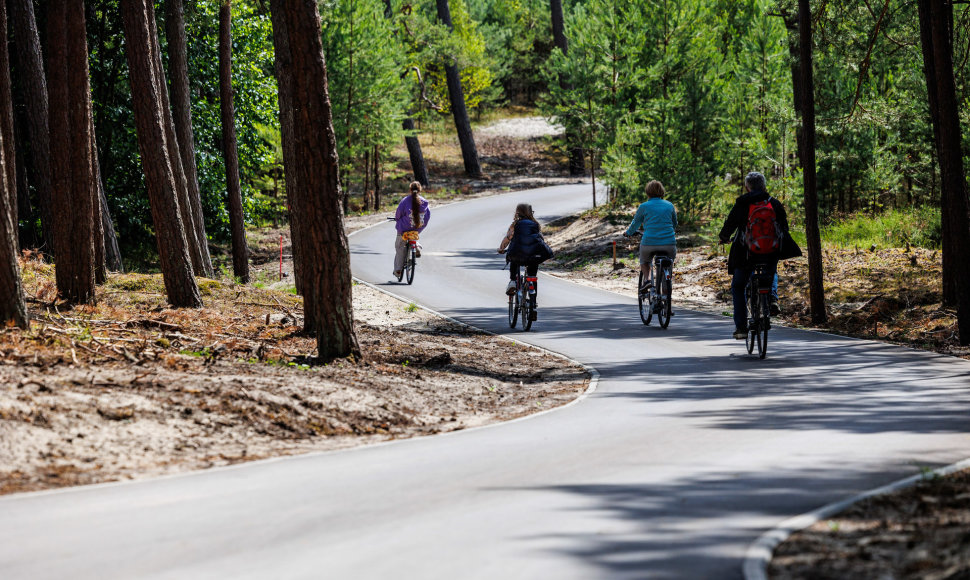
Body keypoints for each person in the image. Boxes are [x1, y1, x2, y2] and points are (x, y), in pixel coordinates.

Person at [718, 171, 801, 340]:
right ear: (763, 186)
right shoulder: (774, 204)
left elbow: (730, 224)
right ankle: (771, 298)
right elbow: (784, 228)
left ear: (747, 187)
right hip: (770, 252)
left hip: (746, 253)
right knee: (771, 272)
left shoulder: (742, 204)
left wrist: (724, 238)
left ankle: (741, 328)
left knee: (738, 286)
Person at [622, 180, 677, 301]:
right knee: (667, 269)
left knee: (645, 261)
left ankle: (647, 279)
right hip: (669, 243)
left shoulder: (644, 206)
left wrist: (628, 233)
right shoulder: (670, 205)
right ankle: (667, 300)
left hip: (649, 243)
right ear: (662, 192)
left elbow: (635, 223)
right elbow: (674, 223)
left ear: (648, 193)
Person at [497, 203, 552, 296]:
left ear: (517, 213)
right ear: (531, 212)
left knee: (514, 257)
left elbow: (508, 238)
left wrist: (501, 248)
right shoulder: (535, 224)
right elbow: (540, 239)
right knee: (533, 263)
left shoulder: (515, 225)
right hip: (533, 255)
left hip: (518, 255)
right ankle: (532, 284)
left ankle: (513, 281)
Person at [393, 181, 431, 279]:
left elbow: (398, 214)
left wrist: (398, 220)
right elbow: (427, 216)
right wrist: (422, 226)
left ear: (410, 190)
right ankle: (416, 245)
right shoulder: (424, 202)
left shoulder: (405, 201)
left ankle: (398, 270)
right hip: (417, 228)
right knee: (414, 234)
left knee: (400, 247)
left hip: (404, 228)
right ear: (420, 190)